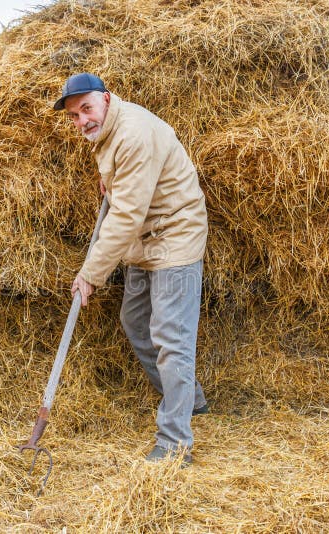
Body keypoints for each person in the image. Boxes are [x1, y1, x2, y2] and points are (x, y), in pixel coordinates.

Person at [54, 73, 209, 465]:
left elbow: (124, 217)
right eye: (74, 116)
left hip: (174, 235)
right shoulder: (109, 132)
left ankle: (175, 442)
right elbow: (128, 197)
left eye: (86, 108)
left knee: (171, 337)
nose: (82, 121)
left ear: (106, 99)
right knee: (136, 320)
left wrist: (90, 274)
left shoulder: (133, 133)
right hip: (145, 238)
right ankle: (188, 399)